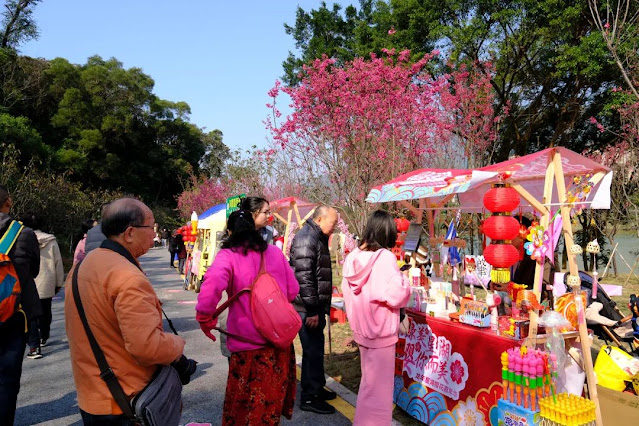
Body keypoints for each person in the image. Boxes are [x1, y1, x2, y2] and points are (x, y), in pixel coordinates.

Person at [64, 198, 196, 424]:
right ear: (129, 233)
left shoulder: (81, 266)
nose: (154, 233)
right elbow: (146, 347)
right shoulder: (127, 276)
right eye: (151, 227)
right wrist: (176, 344)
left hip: (92, 395)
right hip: (125, 401)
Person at [196, 210, 299, 425]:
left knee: (244, 410)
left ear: (230, 232)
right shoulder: (274, 253)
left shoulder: (228, 255)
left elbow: (212, 285)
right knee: (269, 407)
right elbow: (292, 291)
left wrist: (205, 316)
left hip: (247, 347)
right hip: (278, 343)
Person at [341, 210, 411, 425]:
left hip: (361, 330)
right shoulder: (384, 258)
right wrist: (405, 279)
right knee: (379, 392)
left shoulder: (352, 257)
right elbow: (397, 295)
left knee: (369, 385)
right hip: (381, 332)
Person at [289, 205, 339, 414]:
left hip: (314, 305)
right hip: (306, 307)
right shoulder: (306, 238)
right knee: (311, 351)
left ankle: (317, 388)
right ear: (320, 219)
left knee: (317, 351)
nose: (335, 227)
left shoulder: (316, 236)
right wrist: (311, 311)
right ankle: (309, 397)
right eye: (333, 222)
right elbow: (304, 277)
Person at [0, 184, 41, 424]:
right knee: (7, 378)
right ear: (8, 202)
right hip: (14, 313)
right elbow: (33, 271)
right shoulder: (23, 234)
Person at [18, 212, 65, 358]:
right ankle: (44, 336)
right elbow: (58, 263)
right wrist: (59, 282)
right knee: (46, 311)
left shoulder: (20, 238)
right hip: (46, 281)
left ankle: (34, 344)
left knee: (30, 314)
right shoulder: (51, 240)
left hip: (28, 282)